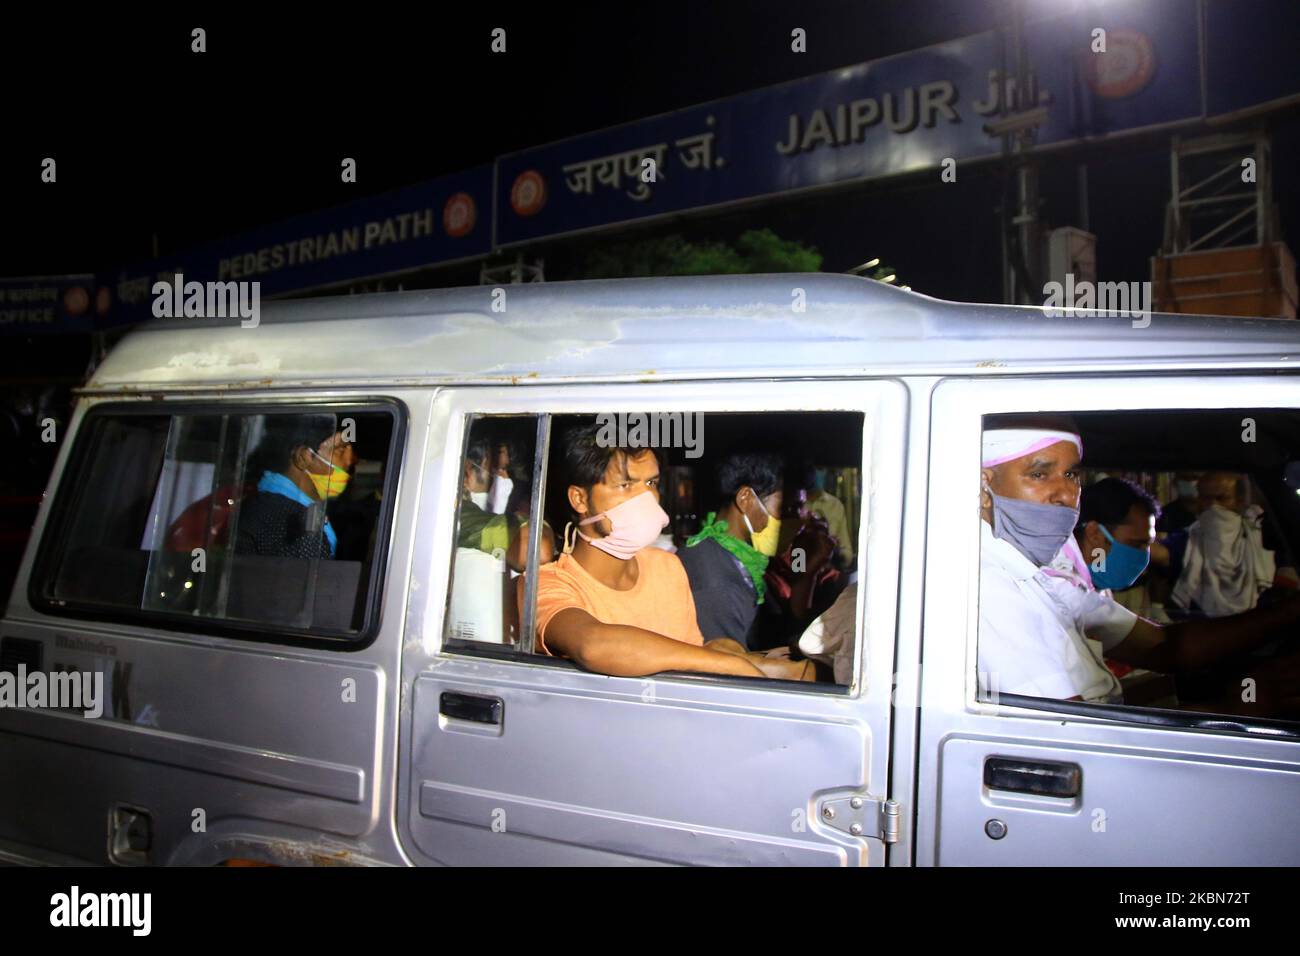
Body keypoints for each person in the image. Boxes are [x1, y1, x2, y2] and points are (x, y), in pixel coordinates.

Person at [978, 424, 1300, 714]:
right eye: (1039, 474)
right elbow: (1075, 737)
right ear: (984, 487)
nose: (1066, 494)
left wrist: (1288, 613)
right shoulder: (988, 586)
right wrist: (1234, 709)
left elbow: (1163, 647)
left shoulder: (1039, 574)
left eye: (1071, 475)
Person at [526, 420, 813, 680]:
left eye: (651, 483)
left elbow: (689, 649)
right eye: (625, 485)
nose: (647, 497)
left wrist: (730, 652)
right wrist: (728, 664)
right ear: (579, 499)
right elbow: (592, 644)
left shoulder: (667, 566)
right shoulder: (546, 584)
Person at [678, 453, 784, 650]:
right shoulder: (713, 578)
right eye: (780, 507)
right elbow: (729, 664)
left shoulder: (744, 558)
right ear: (746, 499)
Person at [235, 418, 355, 559]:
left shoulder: (274, 504)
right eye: (340, 450)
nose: (349, 461)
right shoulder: (287, 521)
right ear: (303, 457)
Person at [1171, 472, 1275, 617]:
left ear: (1239, 501)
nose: (1213, 506)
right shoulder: (1190, 537)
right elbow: (1161, 554)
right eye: (1205, 498)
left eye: (1221, 498)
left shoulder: (1263, 537)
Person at [803, 467, 854, 570]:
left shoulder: (835, 505)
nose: (816, 473)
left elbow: (848, 553)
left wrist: (836, 553)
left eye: (820, 467)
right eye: (812, 467)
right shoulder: (795, 505)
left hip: (827, 577)